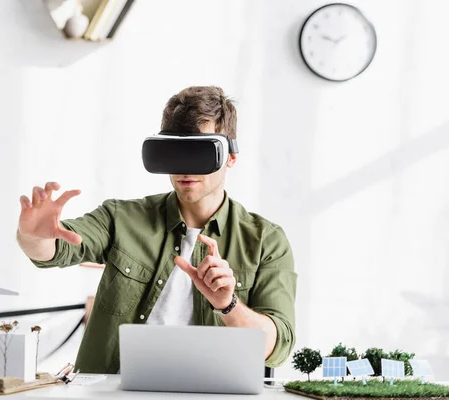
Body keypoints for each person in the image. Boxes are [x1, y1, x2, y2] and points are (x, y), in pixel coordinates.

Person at [17, 86, 297, 374]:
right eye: (174, 151)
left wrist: (229, 304)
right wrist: (34, 234)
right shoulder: (121, 218)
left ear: (231, 157)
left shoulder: (266, 241)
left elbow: (278, 347)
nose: (184, 169)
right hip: (114, 394)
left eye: (199, 152)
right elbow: (55, 249)